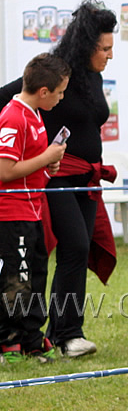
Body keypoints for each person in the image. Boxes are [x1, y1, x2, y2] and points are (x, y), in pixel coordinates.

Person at [0, 0, 118, 358]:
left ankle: (65, 333)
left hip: (85, 178)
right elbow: (11, 98)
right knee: (74, 245)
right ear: (86, 45)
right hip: (54, 177)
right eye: (104, 48)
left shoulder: (93, 77)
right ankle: (39, 334)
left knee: (75, 252)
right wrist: (34, 153)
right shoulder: (54, 74)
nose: (110, 55)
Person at [0, 53, 70, 364]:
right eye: (59, 92)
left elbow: (29, 167)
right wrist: (45, 158)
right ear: (44, 91)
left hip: (34, 211)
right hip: (12, 214)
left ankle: (30, 336)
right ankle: (8, 342)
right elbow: (4, 170)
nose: (61, 98)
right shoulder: (13, 117)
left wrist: (48, 166)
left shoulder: (35, 114)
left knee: (36, 275)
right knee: (17, 279)